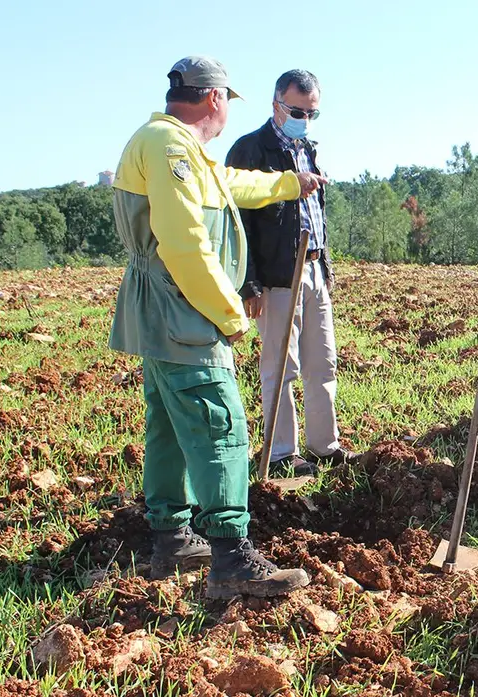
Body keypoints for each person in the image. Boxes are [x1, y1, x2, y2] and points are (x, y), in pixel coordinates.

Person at [108, 55, 325, 599]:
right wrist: (229, 313)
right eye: (227, 100)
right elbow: (185, 243)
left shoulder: (171, 145)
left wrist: (288, 184)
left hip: (159, 309)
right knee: (219, 423)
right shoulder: (172, 147)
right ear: (214, 99)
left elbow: (232, 184)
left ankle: (171, 535)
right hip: (184, 309)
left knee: (169, 426)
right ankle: (231, 557)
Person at [225, 69, 358, 478]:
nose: (304, 118)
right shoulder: (251, 150)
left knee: (324, 361)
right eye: (297, 110)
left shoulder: (308, 149)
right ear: (275, 105)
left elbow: (316, 215)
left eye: (312, 112)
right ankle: (283, 453)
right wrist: (250, 282)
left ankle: (324, 445)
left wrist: (327, 266)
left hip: (314, 266)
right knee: (281, 366)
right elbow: (238, 222)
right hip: (277, 275)